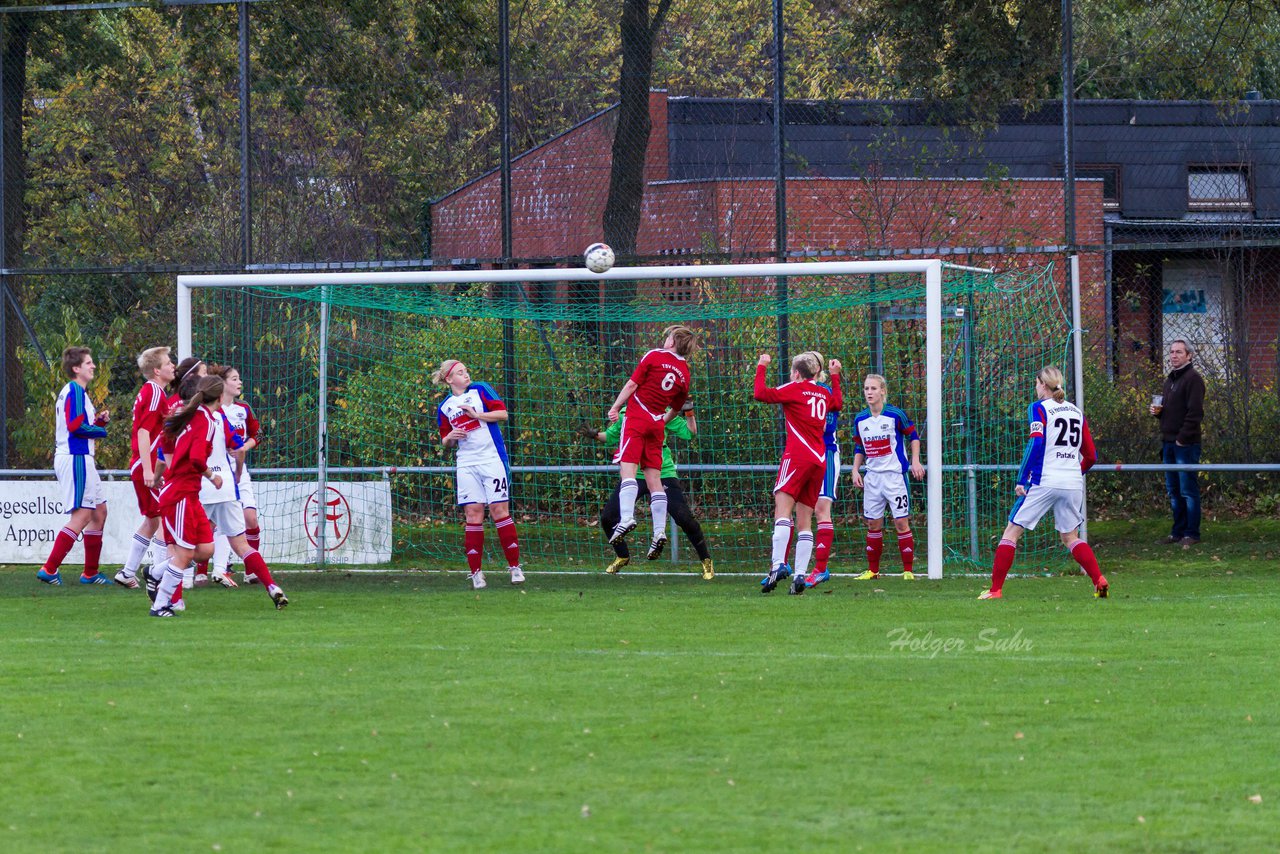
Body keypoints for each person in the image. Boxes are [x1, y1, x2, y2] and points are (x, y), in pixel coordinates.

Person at [979, 366, 1107, 600]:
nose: (1035, 387)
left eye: (1036, 383)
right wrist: (1073, 473)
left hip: (1045, 480)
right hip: (1072, 483)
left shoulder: (1038, 408)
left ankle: (995, 590)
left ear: (1042, 384)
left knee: (1011, 532)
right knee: (1070, 537)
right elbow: (1091, 456)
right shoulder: (1077, 412)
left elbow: (1036, 444)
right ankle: (1099, 580)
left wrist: (1022, 478)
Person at [585, 398, 714, 580]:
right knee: (608, 517)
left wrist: (689, 412)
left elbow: (690, 433)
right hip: (635, 475)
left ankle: (706, 560)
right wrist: (595, 435)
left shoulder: (663, 411)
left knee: (683, 518)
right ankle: (622, 556)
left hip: (661, 472)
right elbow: (611, 436)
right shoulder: (626, 413)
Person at [752, 351, 842, 593]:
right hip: (819, 460)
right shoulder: (824, 392)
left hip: (797, 456)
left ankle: (779, 564)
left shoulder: (795, 388)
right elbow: (838, 404)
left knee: (782, 510)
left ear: (796, 374)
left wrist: (762, 366)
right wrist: (835, 377)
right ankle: (800, 576)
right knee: (805, 521)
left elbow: (760, 393)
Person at [605, 325, 698, 559]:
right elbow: (676, 408)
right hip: (657, 424)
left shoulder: (654, 355)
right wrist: (660, 420)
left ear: (672, 341)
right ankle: (658, 532)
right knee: (654, 480)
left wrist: (616, 407)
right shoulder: (685, 373)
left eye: (668, 336)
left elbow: (632, 385)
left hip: (637, 417)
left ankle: (626, 518)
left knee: (628, 470)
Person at [199, 365, 288, 608]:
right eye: (235, 379)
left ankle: (166, 583)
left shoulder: (206, 415)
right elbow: (235, 449)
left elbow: (243, 444)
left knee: (191, 544)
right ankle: (267, 584)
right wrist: (235, 470)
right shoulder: (216, 416)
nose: (239, 383)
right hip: (224, 482)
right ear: (220, 389)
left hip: (210, 482)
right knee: (224, 540)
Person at [434, 359, 524, 588]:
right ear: (448, 379)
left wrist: (476, 415)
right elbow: (445, 440)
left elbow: (503, 414)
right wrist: (450, 438)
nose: (466, 375)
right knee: (473, 515)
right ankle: (476, 573)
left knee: (499, 510)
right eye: (460, 372)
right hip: (466, 463)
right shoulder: (445, 406)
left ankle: (514, 567)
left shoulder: (481, 390)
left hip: (492, 459)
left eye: (466, 371)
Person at [36, 346, 112, 585]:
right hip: (76, 457)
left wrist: (97, 420)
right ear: (76, 368)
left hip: (79, 457)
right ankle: (49, 569)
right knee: (82, 515)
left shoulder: (76, 392)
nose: (93, 366)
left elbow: (78, 424)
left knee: (99, 512)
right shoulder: (76, 391)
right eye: (89, 363)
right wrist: (101, 430)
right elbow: (75, 427)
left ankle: (90, 573)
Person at [151, 376, 224, 616]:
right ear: (220, 397)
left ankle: (156, 572)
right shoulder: (205, 420)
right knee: (183, 555)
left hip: (189, 494)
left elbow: (167, 439)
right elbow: (195, 459)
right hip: (180, 494)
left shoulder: (195, 414)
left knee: (205, 549)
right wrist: (212, 476)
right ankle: (160, 604)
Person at [849, 374, 925, 581]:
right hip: (872, 478)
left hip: (895, 477)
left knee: (901, 522)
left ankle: (908, 571)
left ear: (883, 391)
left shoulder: (895, 414)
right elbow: (859, 446)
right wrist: (856, 470)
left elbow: (913, 436)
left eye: (873, 388)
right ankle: (873, 571)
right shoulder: (860, 419)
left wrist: (915, 461)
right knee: (873, 524)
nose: (869, 392)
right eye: (866, 389)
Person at [114, 346, 176, 589]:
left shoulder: (153, 391)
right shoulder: (153, 393)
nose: (172, 366)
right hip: (144, 465)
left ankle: (128, 572)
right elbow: (143, 432)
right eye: (169, 363)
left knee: (152, 519)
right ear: (157, 370)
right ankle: (158, 577)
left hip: (143, 464)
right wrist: (149, 470)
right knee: (162, 518)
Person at [792, 354, 842, 593]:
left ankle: (820, 569)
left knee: (822, 510)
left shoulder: (824, 391)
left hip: (826, 454)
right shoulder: (796, 390)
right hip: (804, 457)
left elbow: (828, 425)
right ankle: (784, 567)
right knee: (798, 511)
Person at [211, 364, 265, 585]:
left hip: (239, 472)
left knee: (250, 518)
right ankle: (205, 571)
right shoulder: (212, 410)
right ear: (222, 384)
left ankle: (251, 570)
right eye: (234, 379)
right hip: (217, 473)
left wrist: (243, 448)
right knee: (212, 524)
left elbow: (258, 433)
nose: (239, 382)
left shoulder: (243, 408)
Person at [1150, 339, 1205, 547]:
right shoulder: (1170, 380)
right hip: (1167, 442)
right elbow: (1170, 410)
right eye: (1172, 352)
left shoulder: (1193, 379)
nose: (1174, 355)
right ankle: (1177, 531)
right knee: (1173, 490)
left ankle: (1192, 533)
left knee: (1187, 490)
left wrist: (1182, 438)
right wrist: (1158, 413)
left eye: (1179, 352)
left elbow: (1195, 413)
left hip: (1185, 444)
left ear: (1189, 355)